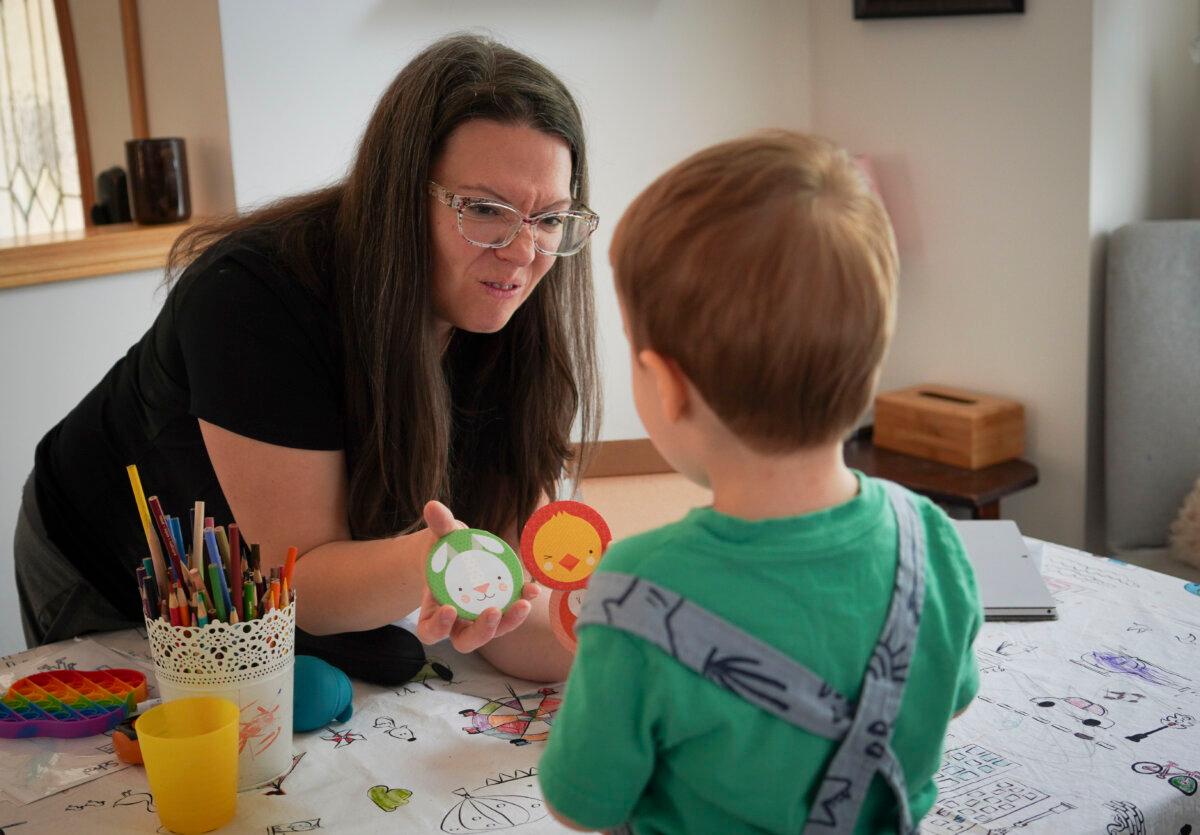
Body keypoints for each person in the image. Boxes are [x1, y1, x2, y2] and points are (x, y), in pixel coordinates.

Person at [13, 34, 601, 683]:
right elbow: (310, 585)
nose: (523, 253)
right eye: (485, 209)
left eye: (550, 218)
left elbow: (516, 618)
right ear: (401, 194)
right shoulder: (252, 297)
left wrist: (617, 641)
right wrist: (446, 561)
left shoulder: (517, 327)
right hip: (114, 559)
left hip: (277, 582)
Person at [537, 132, 983, 833]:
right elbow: (950, 696)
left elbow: (579, 801)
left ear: (666, 385)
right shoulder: (932, 538)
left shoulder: (636, 586)